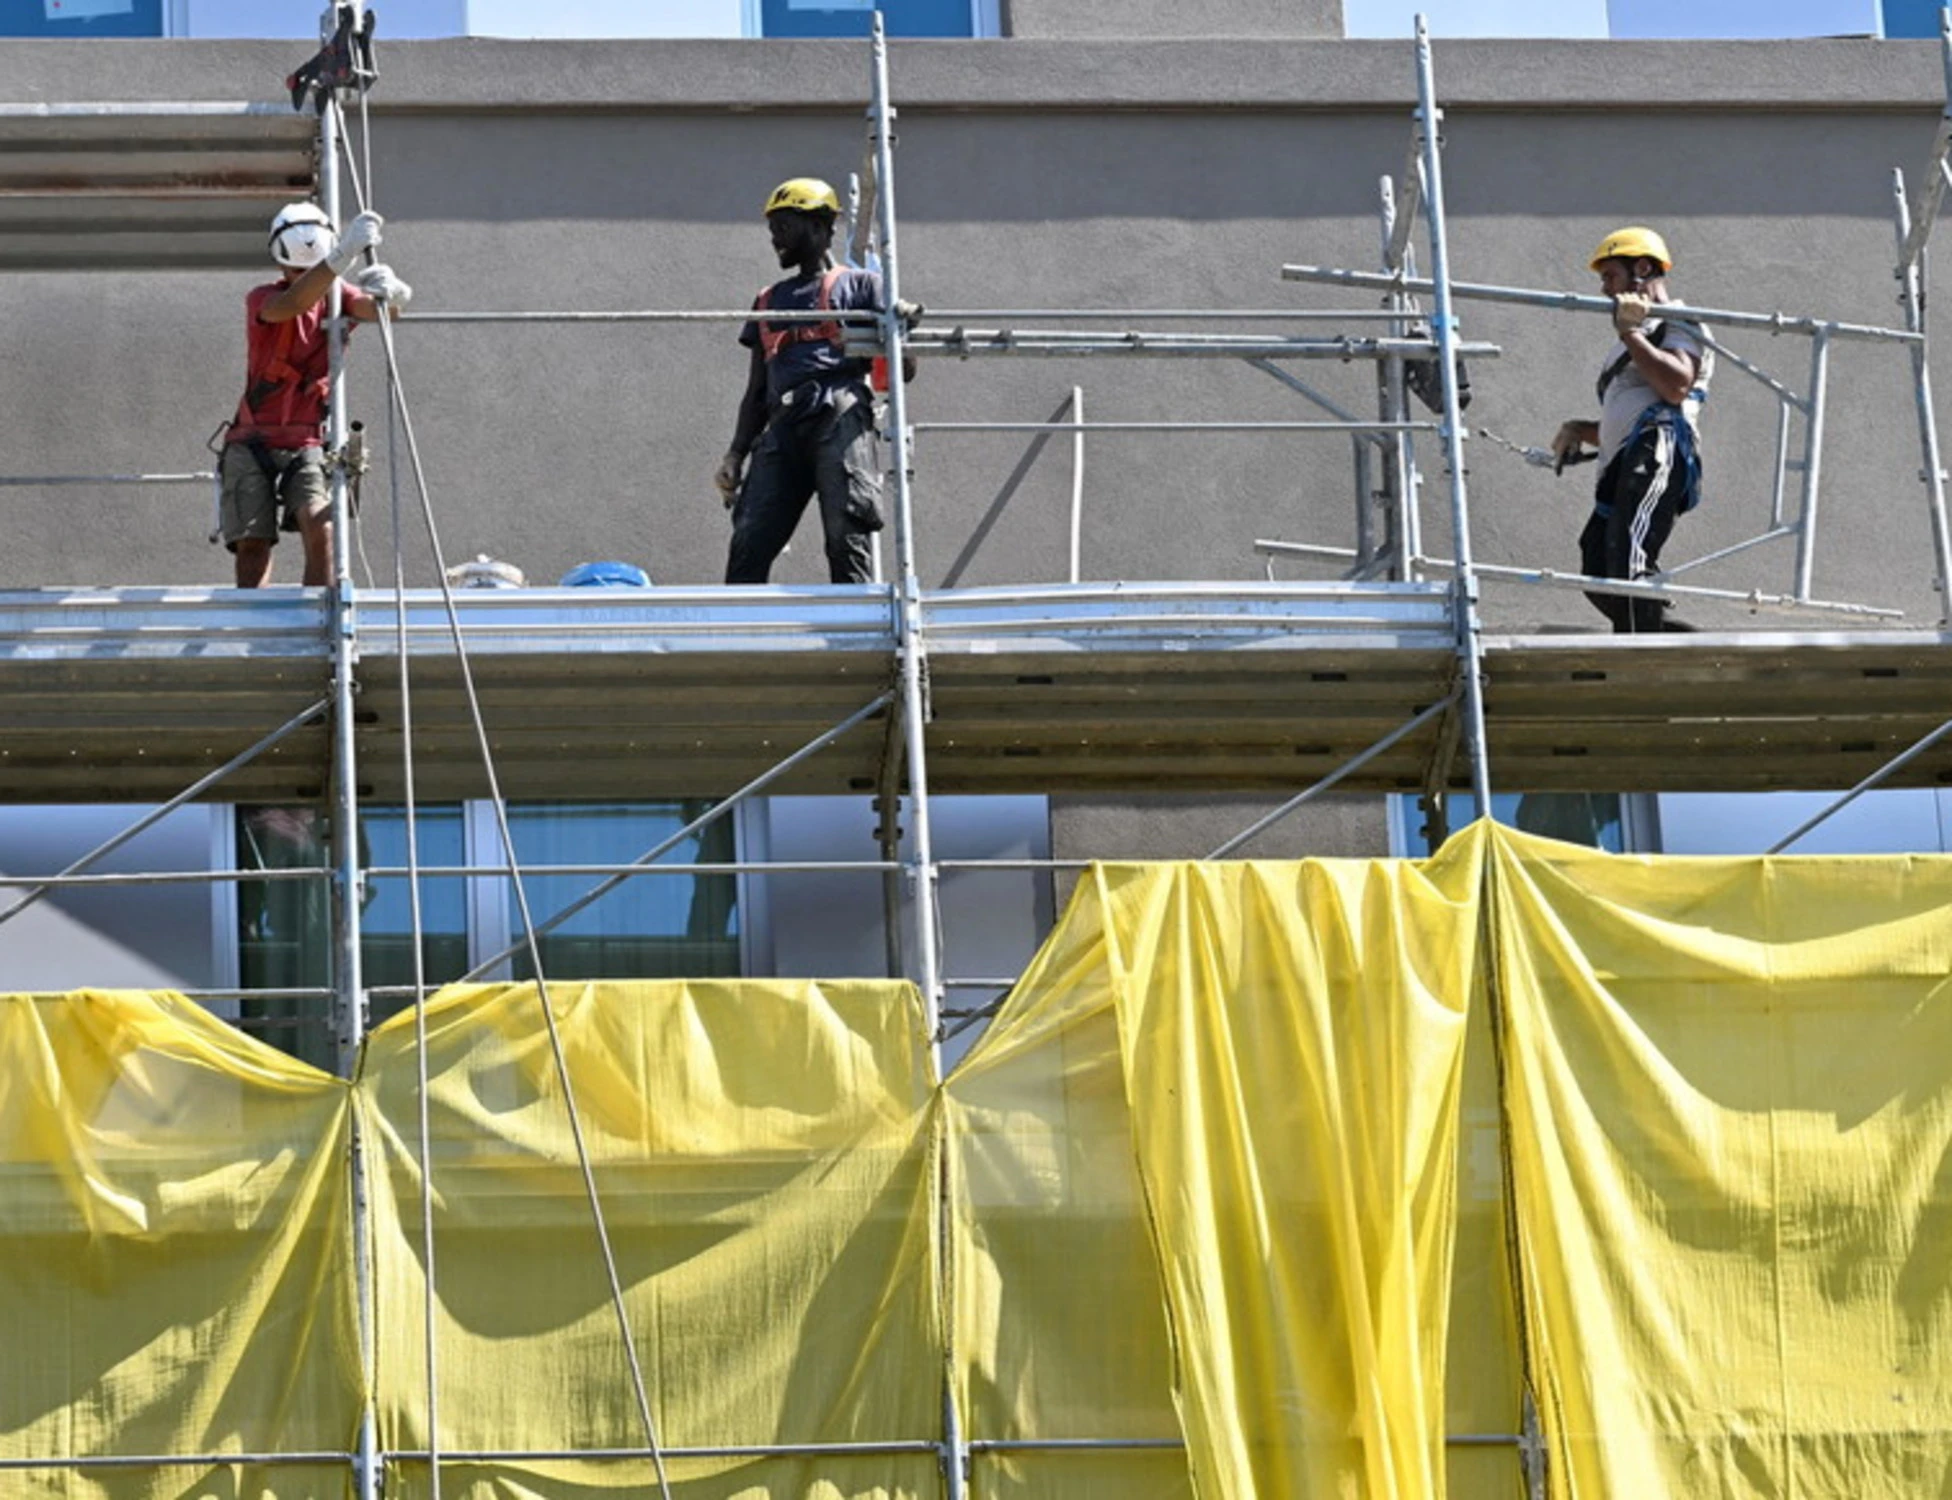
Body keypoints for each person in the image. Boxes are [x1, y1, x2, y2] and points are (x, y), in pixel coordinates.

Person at [713, 176, 917, 585]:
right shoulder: (768, 301)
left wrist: (898, 330)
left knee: (846, 534)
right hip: (783, 424)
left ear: (820, 226)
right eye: (773, 229)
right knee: (749, 538)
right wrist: (735, 453)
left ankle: (856, 621)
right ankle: (742, 623)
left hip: (838, 416)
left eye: (784, 227)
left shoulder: (862, 286)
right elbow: (756, 391)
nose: (775, 238)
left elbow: (903, 372)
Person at [220, 202, 412, 588]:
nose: (305, 277)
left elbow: (378, 312)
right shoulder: (263, 298)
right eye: (297, 270)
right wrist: (341, 257)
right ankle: (256, 616)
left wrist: (394, 296)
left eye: (312, 269)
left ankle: (317, 616)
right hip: (252, 439)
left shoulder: (337, 295)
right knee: (252, 543)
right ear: (281, 266)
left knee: (321, 528)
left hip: (305, 440)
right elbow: (295, 303)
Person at [1549, 226, 1712, 633]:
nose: (1605, 289)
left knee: (1629, 561)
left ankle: (1643, 649)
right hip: (1629, 455)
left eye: (1611, 276)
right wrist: (1578, 429)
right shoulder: (1640, 336)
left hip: (1658, 448)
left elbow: (1675, 386)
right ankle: (1665, 640)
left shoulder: (1677, 319)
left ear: (1641, 268)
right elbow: (1629, 412)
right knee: (1596, 562)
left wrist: (1631, 333)